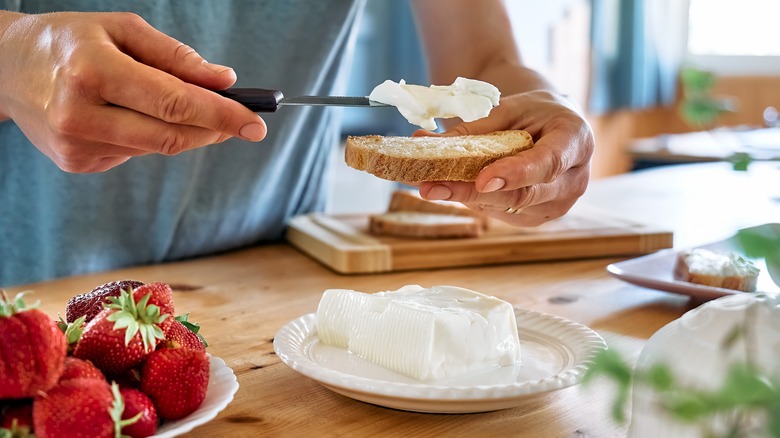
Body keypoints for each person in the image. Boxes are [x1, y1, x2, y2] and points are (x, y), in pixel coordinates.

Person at [0, 0, 594, 287]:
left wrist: (549, 116)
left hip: (276, 286)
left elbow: (488, 63)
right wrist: (12, 55)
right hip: (32, 291)